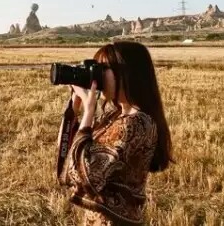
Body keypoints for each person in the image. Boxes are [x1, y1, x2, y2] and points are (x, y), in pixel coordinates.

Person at [58, 41, 173, 225]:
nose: (98, 76)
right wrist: (74, 110)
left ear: (127, 73)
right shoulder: (115, 115)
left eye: (103, 68)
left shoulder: (138, 123)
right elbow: (70, 157)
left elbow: (84, 175)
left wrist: (89, 112)